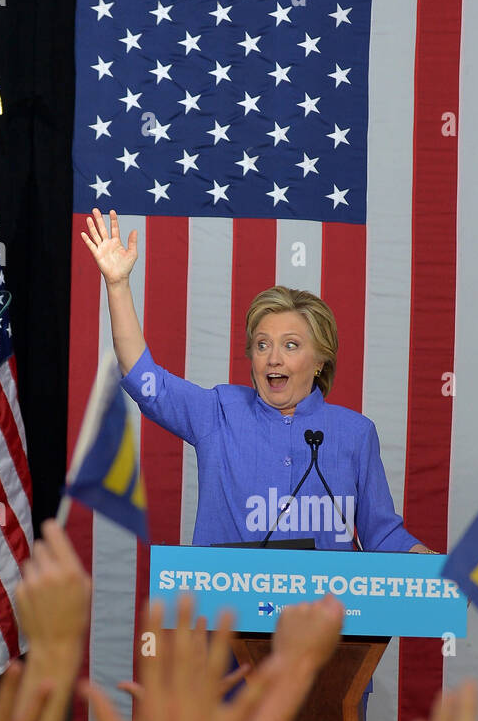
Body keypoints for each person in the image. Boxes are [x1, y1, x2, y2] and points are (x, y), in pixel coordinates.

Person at [81, 208, 438, 553]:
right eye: (262, 344)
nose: (273, 358)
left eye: (291, 345)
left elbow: (383, 534)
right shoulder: (219, 412)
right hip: (226, 610)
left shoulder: (356, 434)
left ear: (320, 361)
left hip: (321, 611)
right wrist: (117, 285)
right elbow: (147, 382)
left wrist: (435, 575)